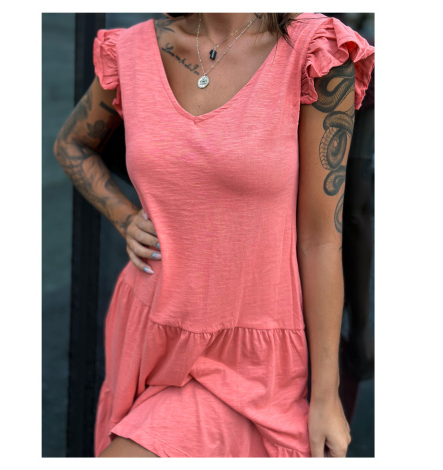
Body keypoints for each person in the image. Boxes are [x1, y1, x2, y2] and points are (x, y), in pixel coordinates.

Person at [54, 12, 374, 458]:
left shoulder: (314, 53)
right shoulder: (132, 50)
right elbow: (71, 145)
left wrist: (326, 395)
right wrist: (125, 217)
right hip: (148, 332)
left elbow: (321, 238)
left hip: (251, 360)